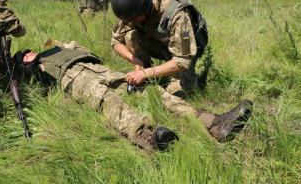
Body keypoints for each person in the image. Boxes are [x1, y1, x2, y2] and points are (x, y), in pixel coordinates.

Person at [17, 40, 252, 150]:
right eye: (25, 55)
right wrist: (28, 66)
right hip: (77, 80)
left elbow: (83, 49)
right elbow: (36, 86)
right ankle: (148, 138)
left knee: (150, 89)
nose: (31, 53)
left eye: (31, 51)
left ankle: (215, 124)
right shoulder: (37, 68)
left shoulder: (57, 47)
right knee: (110, 101)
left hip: (101, 70)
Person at [110, 0, 252, 141]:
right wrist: (138, 63)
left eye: (134, 19)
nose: (130, 22)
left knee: (178, 95)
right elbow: (115, 42)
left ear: (145, 8)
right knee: (130, 36)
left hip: (185, 53)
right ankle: (215, 124)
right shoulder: (132, 11)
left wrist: (146, 73)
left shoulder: (176, 14)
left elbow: (182, 61)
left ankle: (216, 125)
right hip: (162, 45)